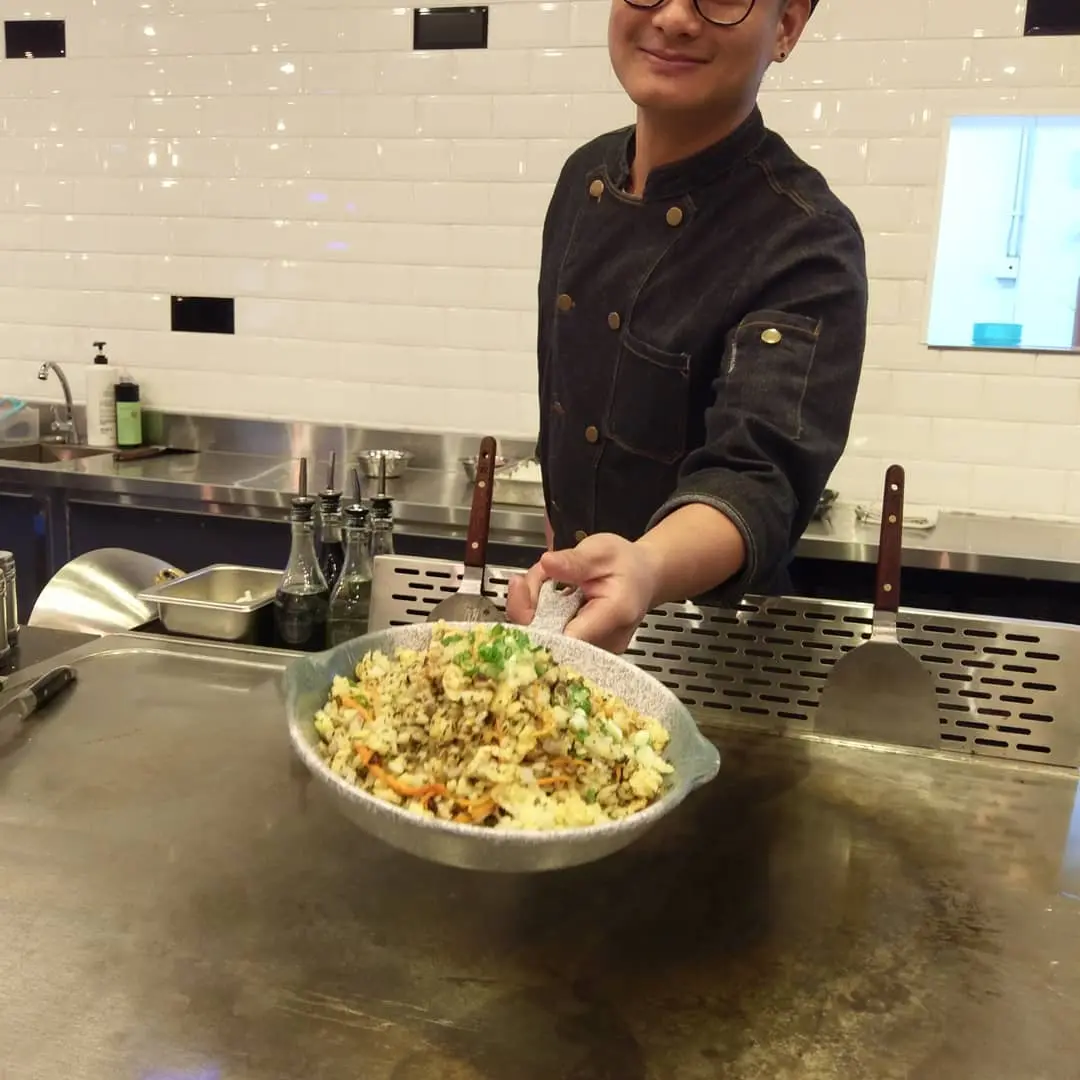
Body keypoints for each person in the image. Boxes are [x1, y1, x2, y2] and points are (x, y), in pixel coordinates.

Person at [505, 0, 866, 653]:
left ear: (786, 25)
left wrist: (642, 569)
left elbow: (756, 475)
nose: (673, 17)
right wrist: (564, 573)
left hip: (714, 647)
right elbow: (571, 431)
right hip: (579, 620)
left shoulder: (805, 236)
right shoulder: (582, 178)